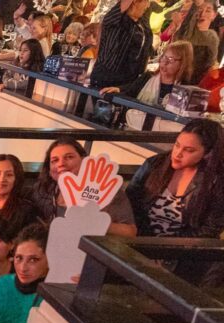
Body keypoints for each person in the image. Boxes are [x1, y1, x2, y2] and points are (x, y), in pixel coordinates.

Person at [126, 119, 224, 268]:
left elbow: (208, 230)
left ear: (207, 153)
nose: (178, 154)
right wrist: (147, 245)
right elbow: (130, 205)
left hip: (184, 255)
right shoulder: (155, 164)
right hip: (139, 243)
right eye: (177, 145)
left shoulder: (217, 182)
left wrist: (165, 251)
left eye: (189, 150)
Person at [33, 137, 137, 236]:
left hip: (90, 247)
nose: (61, 164)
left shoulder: (106, 190)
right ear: (50, 170)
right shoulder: (44, 190)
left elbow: (130, 232)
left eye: (69, 157)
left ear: (83, 160)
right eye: (54, 160)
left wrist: (95, 223)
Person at [0, 224, 49, 323]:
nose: (23, 268)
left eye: (33, 260)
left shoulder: (52, 297)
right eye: (19, 258)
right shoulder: (4, 284)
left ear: (49, 259)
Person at [89, 0, 154, 90]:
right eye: (146, 1)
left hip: (129, 84)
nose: (148, 5)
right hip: (106, 81)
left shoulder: (143, 24)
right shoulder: (114, 19)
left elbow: (147, 50)